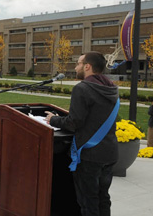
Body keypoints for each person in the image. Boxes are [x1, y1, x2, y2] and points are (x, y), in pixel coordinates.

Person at [46, 51, 118, 216]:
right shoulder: (112, 88)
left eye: (78, 63)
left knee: (88, 201)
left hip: (90, 156)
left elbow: (74, 123)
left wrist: (53, 120)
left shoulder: (83, 88)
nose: (76, 67)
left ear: (87, 66)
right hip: (110, 153)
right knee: (103, 198)